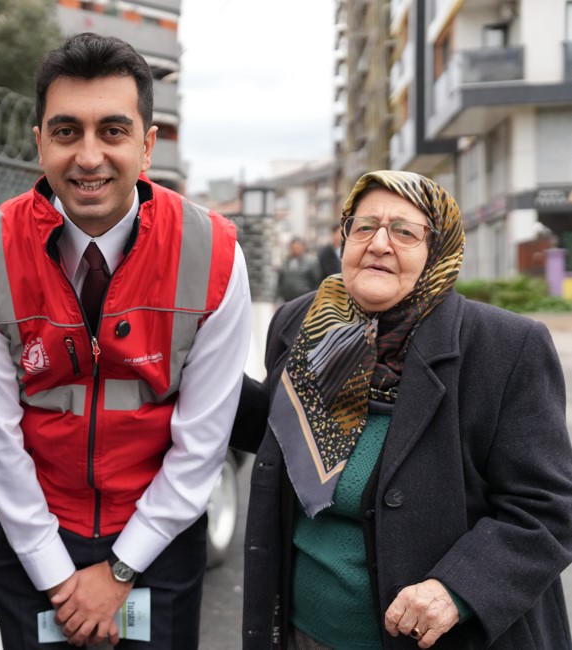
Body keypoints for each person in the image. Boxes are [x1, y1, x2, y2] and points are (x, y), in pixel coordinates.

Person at [0, 32, 251, 649]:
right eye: (67, 132)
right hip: (33, 538)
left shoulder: (214, 253)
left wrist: (119, 571)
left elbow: (203, 443)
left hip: (158, 544)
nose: (89, 156)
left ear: (147, 146)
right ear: (39, 144)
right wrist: (58, 575)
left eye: (112, 131)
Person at [232, 170, 572, 649]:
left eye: (405, 231)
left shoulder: (505, 348)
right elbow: (280, 429)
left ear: (439, 251)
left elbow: (547, 509)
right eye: (364, 226)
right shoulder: (306, 322)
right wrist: (191, 371)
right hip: (301, 632)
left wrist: (456, 589)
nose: (379, 244)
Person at [277, 237, 321, 302]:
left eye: (297, 248)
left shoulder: (311, 262)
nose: (295, 250)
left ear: (303, 248)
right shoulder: (285, 262)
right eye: (293, 248)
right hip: (287, 299)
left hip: (304, 299)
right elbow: (280, 281)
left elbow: (317, 280)